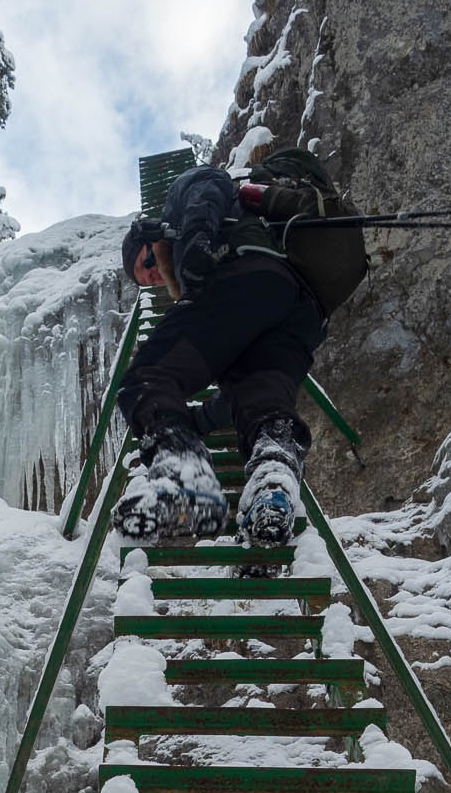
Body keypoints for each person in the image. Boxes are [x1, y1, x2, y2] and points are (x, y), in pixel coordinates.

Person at [113, 160, 327, 547]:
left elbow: (209, 183)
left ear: (149, 237)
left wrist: (195, 243)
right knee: (261, 404)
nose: (157, 276)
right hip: (299, 307)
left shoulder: (181, 197)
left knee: (145, 379)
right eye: (151, 282)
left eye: (148, 264)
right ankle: (272, 489)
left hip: (246, 277)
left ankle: (185, 483)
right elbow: (234, 398)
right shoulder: (234, 325)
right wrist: (196, 423)